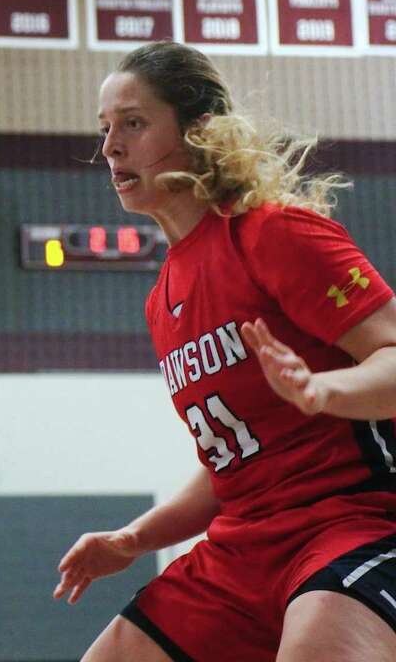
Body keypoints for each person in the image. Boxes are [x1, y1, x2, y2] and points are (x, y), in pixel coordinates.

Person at [54, 41, 396, 661]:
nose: (110, 146)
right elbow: (230, 466)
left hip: (355, 523)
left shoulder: (274, 232)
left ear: (200, 130)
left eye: (133, 123)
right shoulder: (162, 298)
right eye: (105, 129)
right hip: (243, 550)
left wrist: (323, 392)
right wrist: (133, 540)